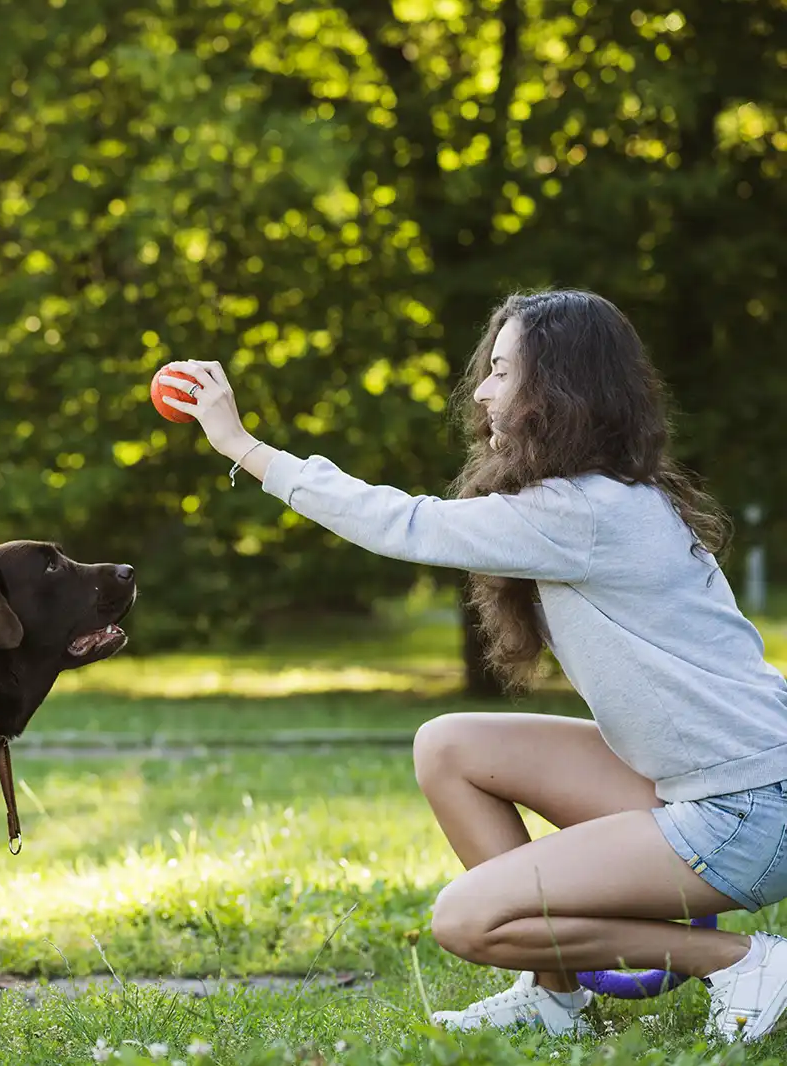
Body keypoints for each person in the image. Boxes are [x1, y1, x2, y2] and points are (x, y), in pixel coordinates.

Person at [156, 289, 787, 1043]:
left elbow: (404, 523)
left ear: (556, 390)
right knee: (450, 746)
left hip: (747, 809)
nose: (482, 391)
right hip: (721, 785)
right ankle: (556, 998)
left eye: (500, 370)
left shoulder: (588, 511)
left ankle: (742, 959)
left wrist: (242, 446)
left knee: (467, 918)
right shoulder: (598, 499)